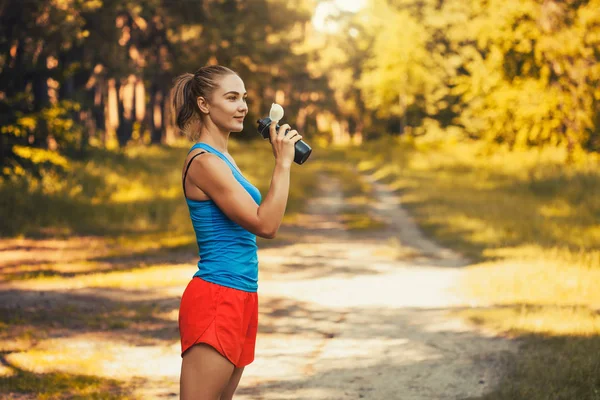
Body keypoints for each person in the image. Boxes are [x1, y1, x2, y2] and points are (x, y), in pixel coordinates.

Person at [172, 65, 302, 400]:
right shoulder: (204, 161)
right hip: (216, 296)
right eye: (231, 98)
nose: (243, 106)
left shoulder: (224, 157)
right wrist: (282, 164)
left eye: (243, 97)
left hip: (243, 294)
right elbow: (266, 225)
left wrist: (282, 165)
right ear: (204, 104)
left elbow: (264, 219)